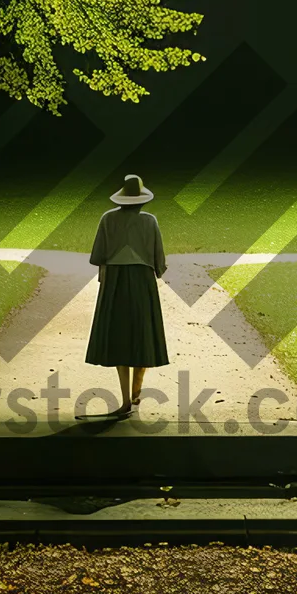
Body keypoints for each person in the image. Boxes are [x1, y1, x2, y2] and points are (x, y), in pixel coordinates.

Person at [81, 173, 170, 418]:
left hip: (115, 281)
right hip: (142, 281)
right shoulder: (150, 221)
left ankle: (125, 399)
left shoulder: (108, 219)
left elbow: (97, 255)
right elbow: (158, 258)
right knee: (141, 333)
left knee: (119, 337)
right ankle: (135, 392)